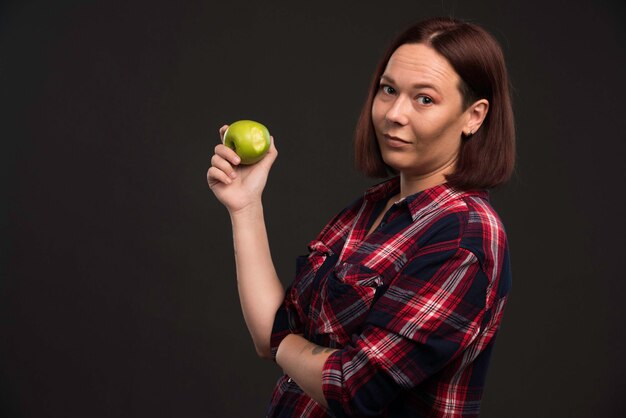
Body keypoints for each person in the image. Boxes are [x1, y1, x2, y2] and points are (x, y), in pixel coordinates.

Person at [207, 16, 515, 418]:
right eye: (388, 90)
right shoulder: (375, 208)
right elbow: (274, 332)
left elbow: (352, 388)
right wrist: (245, 206)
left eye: (424, 98)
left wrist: (283, 342)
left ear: (473, 116)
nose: (394, 114)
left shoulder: (464, 236)